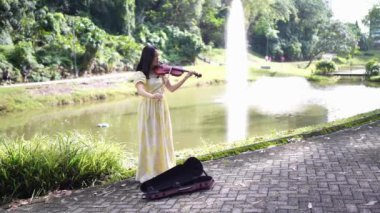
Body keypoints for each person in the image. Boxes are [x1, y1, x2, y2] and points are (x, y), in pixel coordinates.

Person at [133, 45, 195, 183]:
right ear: (149, 57)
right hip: (149, 108)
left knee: (163, 137)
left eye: (158, 56)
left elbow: (172, 89)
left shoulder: (161, 72)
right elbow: (140, 91)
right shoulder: (141, 74)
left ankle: (163, 169)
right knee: (151, 139)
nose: (158, 58)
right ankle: (150, 171)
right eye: (155, 56)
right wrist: (152, 95)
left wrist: (186, 77)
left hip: (161, 108)